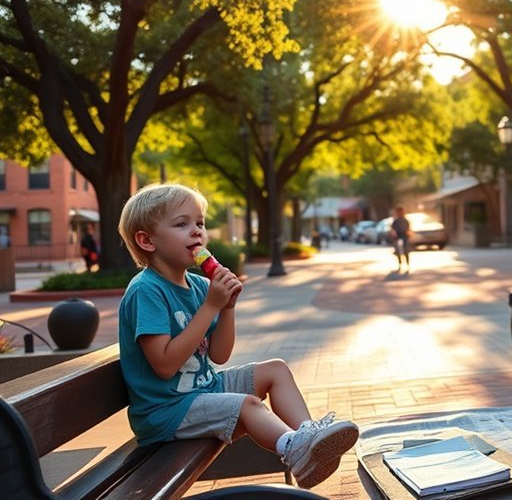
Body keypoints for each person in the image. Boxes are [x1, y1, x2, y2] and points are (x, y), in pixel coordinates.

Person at [116, 183, 358, 490]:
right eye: (181, 224)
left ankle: (308, 437)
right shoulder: (146, 290)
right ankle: (293, 449)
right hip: (166, 411)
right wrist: (211, 306)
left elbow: (219, 355)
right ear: (147, 240)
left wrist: (227, 307)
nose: (196, 231)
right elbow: (164, 365)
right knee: (247, 404)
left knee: (275, 370)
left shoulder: (199, 285)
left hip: (203, 388)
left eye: (200, 223)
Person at [390, 206, 411, 273]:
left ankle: (407, 266)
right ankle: (400, 265)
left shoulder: (405, 220)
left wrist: (408, 233)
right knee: (398, 251)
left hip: (405, 237)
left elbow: (408, 229)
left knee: (406, 251)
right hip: (398, 237)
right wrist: (394, 234)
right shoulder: (395, 221)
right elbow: (393, 229)